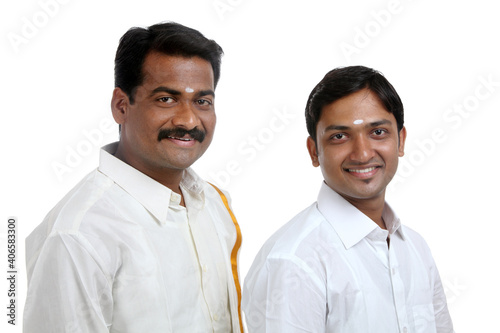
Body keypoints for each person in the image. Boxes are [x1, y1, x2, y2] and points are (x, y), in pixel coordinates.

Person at [24, 22, 244, 333]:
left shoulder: (213, 203)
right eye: (166, 99)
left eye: (202, 101)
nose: (188, 119)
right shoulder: (79, 235)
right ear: (121, 106)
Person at [242, 66, 454, 333]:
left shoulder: (415, 248)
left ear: (400, 141)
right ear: (314, 151)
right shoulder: (294, 261)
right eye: (339, 136)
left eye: (378, 132)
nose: (363, 153)